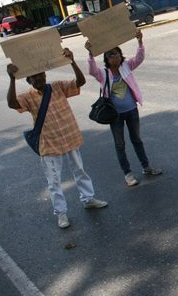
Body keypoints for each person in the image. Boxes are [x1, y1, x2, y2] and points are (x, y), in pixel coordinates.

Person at [6, 48, 108, 229]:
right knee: (54, 181)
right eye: (35, 78)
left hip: (69, 137)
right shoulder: (28, 97)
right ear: (29, 80)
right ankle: (61, 213)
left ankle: (88, 198)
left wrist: (72, 61)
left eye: (41, 76)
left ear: (45, 75)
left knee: (80, 170)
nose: (39, 79)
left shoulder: (58, 87)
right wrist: (12, 79)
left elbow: (80, 82)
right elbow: (12, 104)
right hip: (49, 143)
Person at [86, 30, 162, 187]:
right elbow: (91, 70)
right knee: (120, 144)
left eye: (118, 53)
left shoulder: (126, 66)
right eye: (112, 54)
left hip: (131, 110)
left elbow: (139, 58)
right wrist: (90, 54)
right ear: (107, 59)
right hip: (115, 116)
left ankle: (146, 167)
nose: (116, 56)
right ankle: (128, 174)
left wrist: (140, 42)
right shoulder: (103, 74)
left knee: (137, 140)